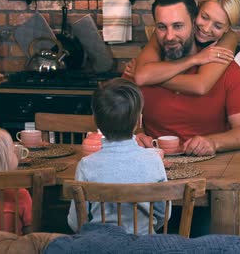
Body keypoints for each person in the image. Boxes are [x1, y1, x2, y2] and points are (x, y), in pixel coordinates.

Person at [130, 0, 240, 156]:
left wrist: (214, 142)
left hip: (211, 165)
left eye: (178, 26)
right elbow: (119, 118)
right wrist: (136, 134)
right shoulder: (144, 64)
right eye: (162, 27)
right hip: (153, 164)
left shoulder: (226, 68)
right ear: (196, 16)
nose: (205, 29)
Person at [67, 78, 169, 235]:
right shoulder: (153, 161)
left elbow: (76, 222)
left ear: (96, 121)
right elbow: (164, 215)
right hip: (145, 246)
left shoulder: (86, 165)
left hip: (100, 246)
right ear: (139, 120)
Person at [125, 0, 240, 95]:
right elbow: (142, 76)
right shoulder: (167, 32)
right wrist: (195, 59)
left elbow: (200, 86)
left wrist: (151, 77)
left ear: (227, 28)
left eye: (218, 26)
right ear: (196, 11)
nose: (206, 29)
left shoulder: (228, 39)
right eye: (204, 17)